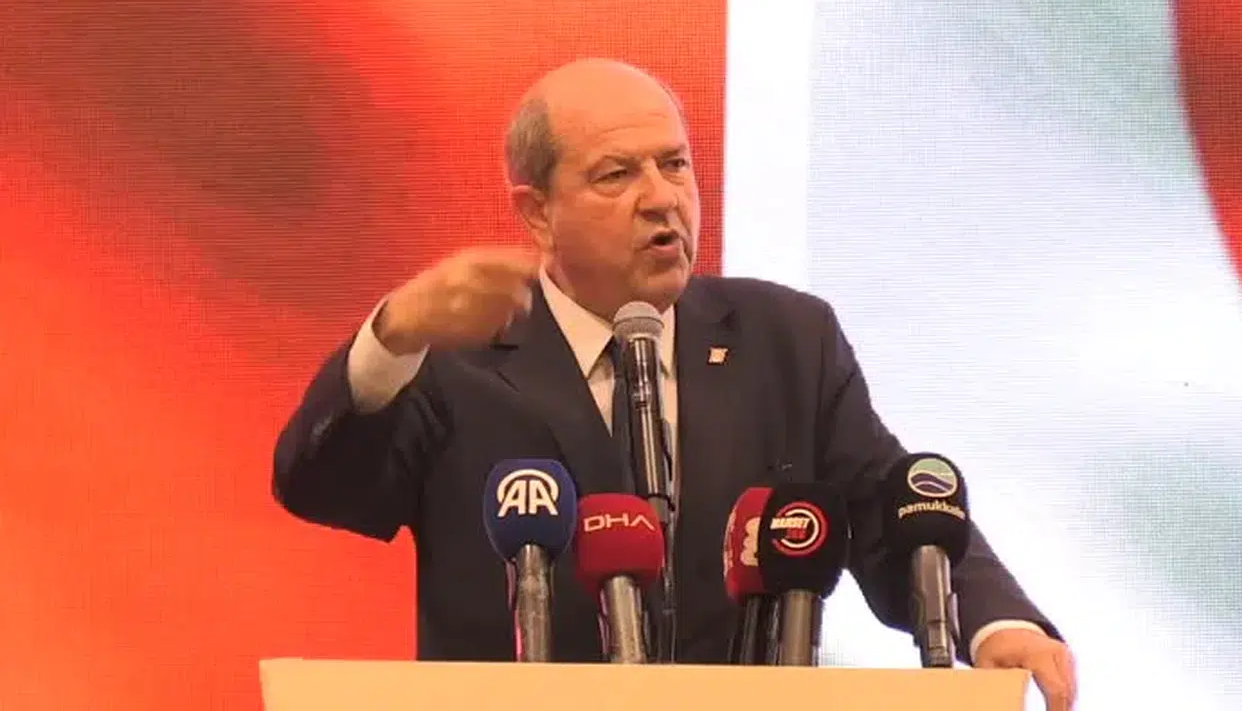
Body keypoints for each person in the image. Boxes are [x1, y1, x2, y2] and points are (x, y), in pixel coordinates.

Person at [273, 58, 1077, 709]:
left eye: (675, 164)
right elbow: (319, 487)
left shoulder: (786, 339)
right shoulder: (457, 356)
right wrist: (392, 336)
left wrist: (994, 623)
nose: (661, 198)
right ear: (537, 211)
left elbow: (887, 511)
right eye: (616, 175)